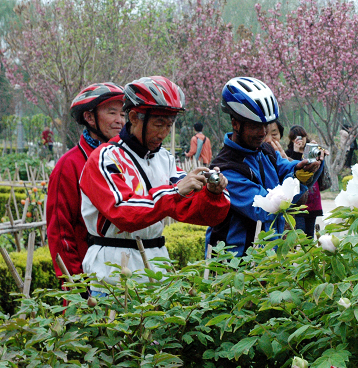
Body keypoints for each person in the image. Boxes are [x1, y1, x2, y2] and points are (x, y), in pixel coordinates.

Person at [79, 76, 230, 295]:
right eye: (158, 124)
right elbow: (123, 211)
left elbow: (190, 209)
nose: (164, 133)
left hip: (157, 271)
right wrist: (176, 191)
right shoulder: (105, 158)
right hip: (112, 274)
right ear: (134, 117)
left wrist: (213, 194)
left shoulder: (165, 159)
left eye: (169, 125)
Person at [206, 76, 324, 257]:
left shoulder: (265, 151)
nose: (263, 133)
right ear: (235, 123)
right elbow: (266, 206)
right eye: (254, 126)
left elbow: (289, 168)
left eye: (265, 126)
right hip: (235, 266)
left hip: (266, 261)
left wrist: (310, 167)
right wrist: (298, 181)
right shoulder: (227, 169)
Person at [46, 82, 125, 287]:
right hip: (89, 280)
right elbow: (61, 232)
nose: (120, 121)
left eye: (123, 114)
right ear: (89, 117)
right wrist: (76, 285)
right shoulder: (69, 165)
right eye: (112, 113)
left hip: (125, 277)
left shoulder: (127, 160)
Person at [285, 125, 323, 238]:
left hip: (313, 198)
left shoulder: (313, 151)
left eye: (302, 137)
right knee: (300, 233)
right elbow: (293, 173)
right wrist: (296, 152)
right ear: (291, 140)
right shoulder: (288, 154)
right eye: (295, 138)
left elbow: (318, 172)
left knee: (310, 235)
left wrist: (320, 154)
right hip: (298, 199)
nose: (299, 140)